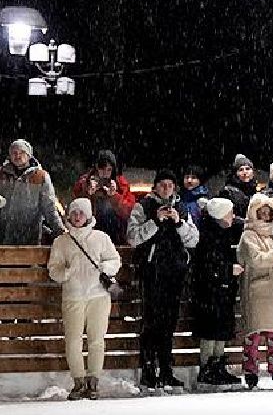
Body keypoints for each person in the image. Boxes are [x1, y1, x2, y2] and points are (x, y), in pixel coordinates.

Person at [125, 169, 198, 391]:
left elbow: (194, 239)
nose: (166, 188)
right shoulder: (144, 206)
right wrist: (155, 222)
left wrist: (179, 223)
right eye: (162, 184)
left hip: (175, 272)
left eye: (170, 184)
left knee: (169, 322)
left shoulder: (182, 207)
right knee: (151, 322)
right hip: (152, 271)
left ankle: (166, 370)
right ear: (155, 187)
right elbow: (133, 237)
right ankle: (148, 370)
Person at [47, 198, 122, 400]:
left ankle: (93, 380)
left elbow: (114, 259)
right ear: (69, 215)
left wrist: (105, 269)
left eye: (81, 213)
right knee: (73, 340)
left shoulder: (100, 238)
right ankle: (78, 381)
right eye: (74, 213)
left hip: (98, 295)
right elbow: (53, 269)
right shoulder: (61, 242)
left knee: (96, 340)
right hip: (73, 296)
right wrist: (66, 273)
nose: (77, 216)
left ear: (88, 215)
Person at [237, 193, 273, 389]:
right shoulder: (248, 236)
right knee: (253, 335)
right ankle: (251, 370)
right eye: (260, 213)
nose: (264, 217)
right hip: (255, 290)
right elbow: (257, 260)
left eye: (267, 213)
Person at [190, 197, 245, 386]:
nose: (233, 216)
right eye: (230, 213)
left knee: (220, 330)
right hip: (209, 293)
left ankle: (217, 365)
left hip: (222, 291)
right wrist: (228, 270)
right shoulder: (208, 236)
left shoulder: (224, 233)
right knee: (210, 330)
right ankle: (208, 367)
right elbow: (205, 266)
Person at [0, 139, 63, 245]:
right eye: (14, 152)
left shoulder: (40, 176)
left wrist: (61, 232)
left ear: (28, 155)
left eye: (21, 152)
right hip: (0, 236)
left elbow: (49, 208)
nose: (17, 156)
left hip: (29, 237)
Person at [71, 150, 135, 245]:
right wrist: (88, 194)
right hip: (88, 238)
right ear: (96, 168)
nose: (105, 173)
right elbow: (74, 211)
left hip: (114, 239)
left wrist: (114, 196)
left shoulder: (121, 185)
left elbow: (128, 212)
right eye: (102, 169)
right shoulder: (83, 183)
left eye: (109, 170)